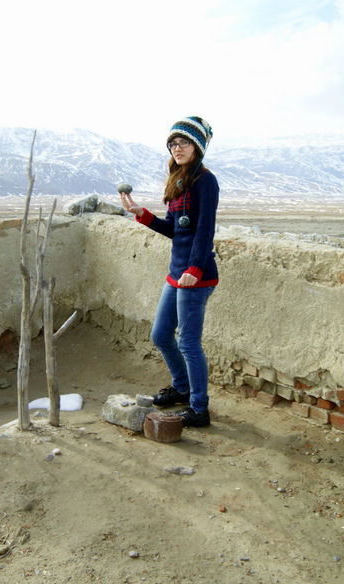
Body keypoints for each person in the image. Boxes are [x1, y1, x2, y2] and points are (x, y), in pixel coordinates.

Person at [120, 116, 219, 427]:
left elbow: (204, 231)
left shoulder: (206, 181)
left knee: (189, 342)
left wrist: (194, 268)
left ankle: (199, 408)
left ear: (198, 146)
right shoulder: (178, 180)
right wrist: (143, 215)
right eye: (173, 144)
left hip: (196, 275)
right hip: (176, 273)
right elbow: (175, 230)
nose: (178, 148)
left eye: (184, 143)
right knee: (161, 334)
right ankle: (181, 387)